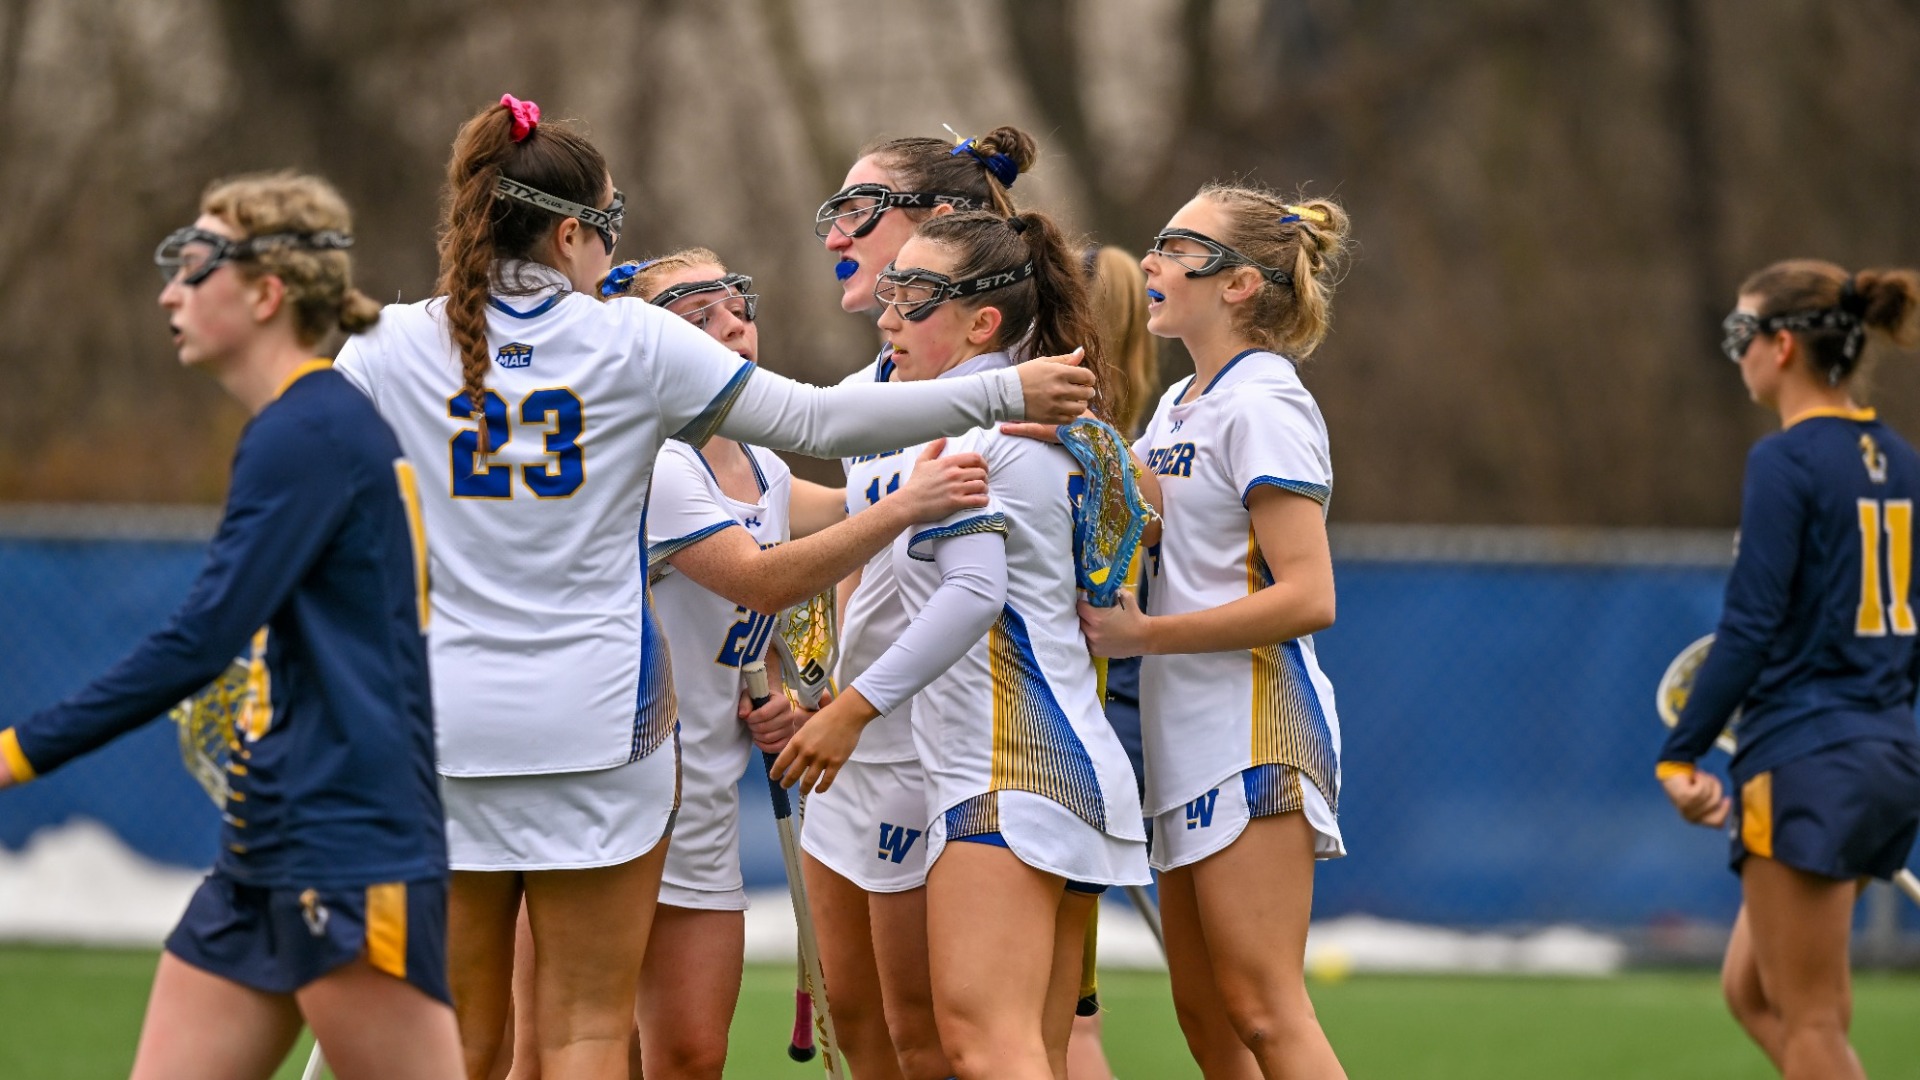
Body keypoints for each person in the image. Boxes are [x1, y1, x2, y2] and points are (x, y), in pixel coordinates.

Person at [328, 96, 1092, 1080]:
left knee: (465, 1039)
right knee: (584, 1034)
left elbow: (295, 470)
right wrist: (1003, 389)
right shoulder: (633, 344)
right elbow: (817, 421)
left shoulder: (385, 346)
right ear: (570, 234)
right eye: (609, 229)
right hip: (601, 732)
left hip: (447, 727)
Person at [0, 172, 461, 1080]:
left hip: (346, 846)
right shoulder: (302, 426)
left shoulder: (308, 433)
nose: (170, 289)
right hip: (264, 846)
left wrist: (18, 752)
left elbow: (200, 641)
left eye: (195, 263)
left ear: (265, 292)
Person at [775, 208, 1153, 1080]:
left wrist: (852, 713)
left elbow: (975, 593)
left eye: (914, 297)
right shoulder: (990, 424)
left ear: (983, 322)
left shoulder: (983, 434)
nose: (887, 314)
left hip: (1011, 769)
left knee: (987, 1047)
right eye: (891, 290)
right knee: (1028, 1052)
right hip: (1035, 769)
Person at [1077, 183, 1352, 1079]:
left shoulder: (1264, 399)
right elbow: (1164, 529)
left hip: (1253, 726)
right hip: (1184, 728)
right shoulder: (1185, 402)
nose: (1149, 262)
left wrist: (1143, 635)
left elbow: (1310, 595)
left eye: (1173, 244)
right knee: (1207, 1018)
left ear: (1236, 284)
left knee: (1266, 1009)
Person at [806, 124, 1038, 1080]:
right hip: (855, 745)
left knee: (961, 1040)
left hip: (960, 749)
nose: (835, 236)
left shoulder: (1001, 389)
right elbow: (853, 549)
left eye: (859, 209)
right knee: (860, 1030)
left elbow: (981, 586)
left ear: (936, 223)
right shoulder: (878, 386)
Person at [1658, 260, 1920, 1080]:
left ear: (1780, 346)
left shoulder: (1786, 461)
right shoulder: (1903, 462)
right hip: (1883, 755)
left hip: (1804, 762)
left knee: (1808, 1022)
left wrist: (1682, 751)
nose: (1735, 354)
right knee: (1753, 991)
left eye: (1740, 334)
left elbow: (1750, 626)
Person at [1066, 244, 1157, 1080]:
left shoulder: (1091, 450)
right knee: (1064, 1013)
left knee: (1065, 1019)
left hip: (1073, 731)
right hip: (1108, 733)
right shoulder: (1133, 440)